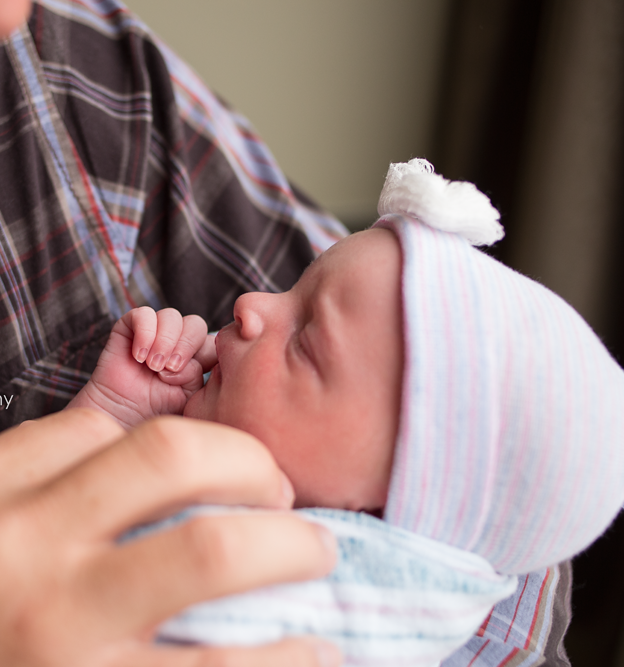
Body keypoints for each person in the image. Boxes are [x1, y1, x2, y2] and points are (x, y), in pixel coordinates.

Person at [0, 0, 569, 665]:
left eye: (304, 337)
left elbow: (513, 493)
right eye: (296, 299)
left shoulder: (57, 76)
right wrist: (107, 417)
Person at [67, 160, 624, 664]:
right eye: (293, 288)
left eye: (305, 343)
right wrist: (109, 420)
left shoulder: (313, 615)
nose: (251, 304)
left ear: (389, 506)